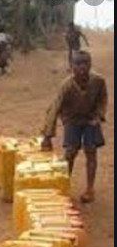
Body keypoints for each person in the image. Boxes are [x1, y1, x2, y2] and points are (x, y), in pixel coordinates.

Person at [41, 51, 107, 203]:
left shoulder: (98, 81)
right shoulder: (66, 86)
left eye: (85, 63)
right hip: (72, 120)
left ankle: (90, 189)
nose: (82, 67)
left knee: (91, 152)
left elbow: (103, 100)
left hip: (91, 120)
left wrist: (98, 116)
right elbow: (54, 108)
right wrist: (47, 135)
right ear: (71, 66)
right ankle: (64, 185)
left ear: (90, 64)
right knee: (70, 152)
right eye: (78, 63)